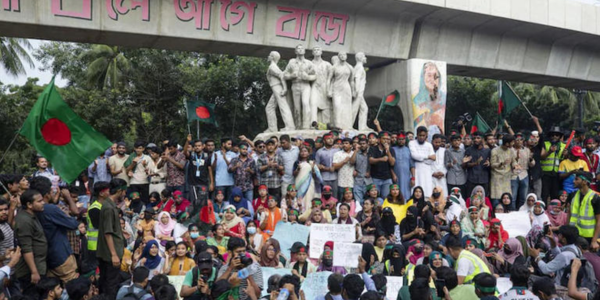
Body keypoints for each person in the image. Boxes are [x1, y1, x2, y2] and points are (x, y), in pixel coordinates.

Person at [97, 178, 127, 299]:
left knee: (105, 282)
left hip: (107, 253)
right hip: (110, 255)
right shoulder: (108, 208)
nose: (125, 194)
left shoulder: (109, 205)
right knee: (111, 285)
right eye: (124, 191)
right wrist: (114, 254)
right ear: (119, 191)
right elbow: (107, 233)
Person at [14, 189, 47, 291]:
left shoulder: (31, 216)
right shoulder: (24, 220)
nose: (43, 203)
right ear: (29, 204)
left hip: (39, 266)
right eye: (39, 201)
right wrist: (34, 272)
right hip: (29, 272)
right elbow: (26, 249)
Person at [569, 171, 600, 250]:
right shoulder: (573, 195)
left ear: (585, 182)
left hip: (588, 237)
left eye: (577, 179)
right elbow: (569, 214)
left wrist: (594, 241)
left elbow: (599, 221)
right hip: (574, 234)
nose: (574, 181)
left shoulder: (595, 198)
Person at [409, 127, 436, 197]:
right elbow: (414, 156)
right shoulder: (412, 143)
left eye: (423, 135)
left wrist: (421, 158)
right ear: (417, 135)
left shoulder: (429, 145)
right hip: (416, 171)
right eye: (420, 135)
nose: (421, 137)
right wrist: (428, 157)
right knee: (415, 192)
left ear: (426, 135)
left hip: (427, 171)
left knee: (427, 192)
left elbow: (433, 159)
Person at [541, 127, 565, 202]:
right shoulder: (545, 144)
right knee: (544, 194)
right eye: (553, 135)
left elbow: (564, 160)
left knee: (555, 195)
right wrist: (550, 151)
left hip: (557, 174)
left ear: (560, 136)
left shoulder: (564, 146)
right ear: (550, 136)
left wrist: (566, 155)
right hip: (545, 174)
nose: (554, 136)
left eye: (557, 135)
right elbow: (542, 157)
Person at [491, 135, 516, 208]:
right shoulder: (495, 150)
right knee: (497, 200)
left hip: (507, 178)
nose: (513, 144)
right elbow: (492, 165)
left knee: (507, 199)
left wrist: (515, 166)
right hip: (497, 178)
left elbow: (514, 161)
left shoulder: (511, 150)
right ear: (507, 143)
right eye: (512, 142)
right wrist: (502, 163)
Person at [464, 131, 491, 198]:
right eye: (474, 138)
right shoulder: (468, 150)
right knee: (470, 198)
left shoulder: (488, 151)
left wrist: (488, 164)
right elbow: (466, 165)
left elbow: (491, 165)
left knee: (483, 199)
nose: (476, 139)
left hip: (484, 179)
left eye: (478, 138)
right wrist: (475, 163)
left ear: (482, 139)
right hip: (472, 179)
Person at [512, 133, 534, 210]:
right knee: (513, 197)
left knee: (523, 197)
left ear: (523, 141)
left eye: (520, 140)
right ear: (513, 141)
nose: (518, 141)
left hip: (524, 174)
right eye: (517, 140)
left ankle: (522, 213)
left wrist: (531, 159)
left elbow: (532, 164)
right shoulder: (510, 150)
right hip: (513, 175)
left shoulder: (527, 150)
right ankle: (512, 213)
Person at [317, 133, 341, 199]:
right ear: (324, 141)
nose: (330, 140)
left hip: (335, 177)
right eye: (328, 139)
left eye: (331, 139)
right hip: (323, 177)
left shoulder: (337, 150)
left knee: (334, 197)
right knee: (323, 197)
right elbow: (317, 165)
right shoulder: (320, 152)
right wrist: (326, 168)